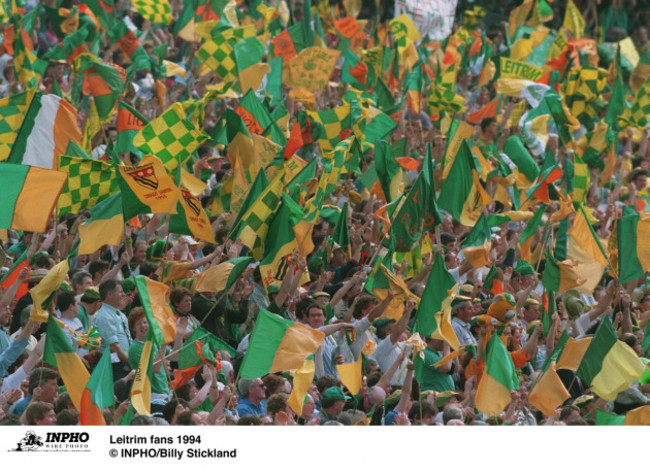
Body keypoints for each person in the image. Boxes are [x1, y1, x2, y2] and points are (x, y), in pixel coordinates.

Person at [93, 279, 133, 380]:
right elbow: (113, 347)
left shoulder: (118, 314)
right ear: (110, 295)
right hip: (115, 367)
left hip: (124, 366)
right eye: (120, 292)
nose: (124, 294)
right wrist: (131, 364)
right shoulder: (104, 316)